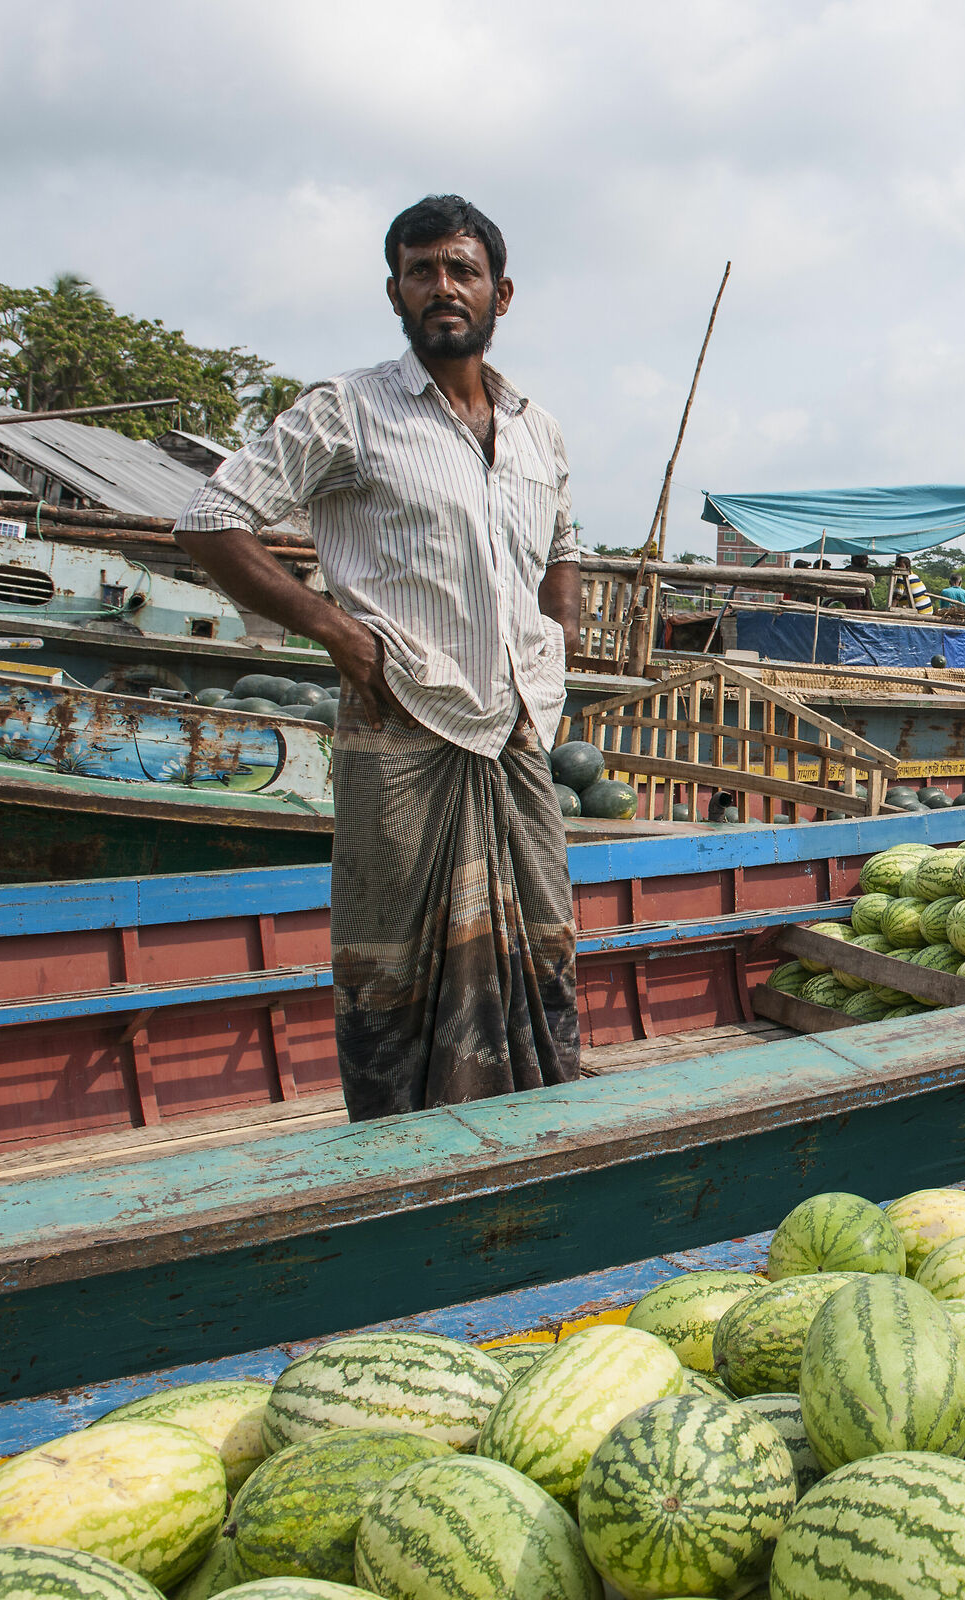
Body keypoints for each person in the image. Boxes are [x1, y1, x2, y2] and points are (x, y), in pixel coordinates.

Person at [173, 194, 581, 1119]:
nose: (443, 286)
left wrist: (557, 632)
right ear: (394, 291)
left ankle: (541, 1132)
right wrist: (331, 627)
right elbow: (209, 520)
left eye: (461, 270)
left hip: (516, 730)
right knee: (390, 960)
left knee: (545, 944)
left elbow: (561, 539)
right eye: (421, 270)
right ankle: (398, 1157)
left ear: (500, 293)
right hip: (403, 723)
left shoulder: (535, 428)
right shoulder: (348, 411)